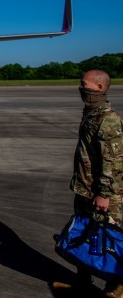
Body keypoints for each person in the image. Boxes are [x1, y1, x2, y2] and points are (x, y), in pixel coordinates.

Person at [52, 70, 123, 297]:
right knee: (84, 235)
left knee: (111, 239)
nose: (81, 88)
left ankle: (117, 288)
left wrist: (104, 193)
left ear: (100, 88)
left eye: (84, 84)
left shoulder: (109, 120)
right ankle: (82, 280)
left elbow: (113, 162)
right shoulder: (91, 114)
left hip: (103, 193)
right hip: (85, 188)